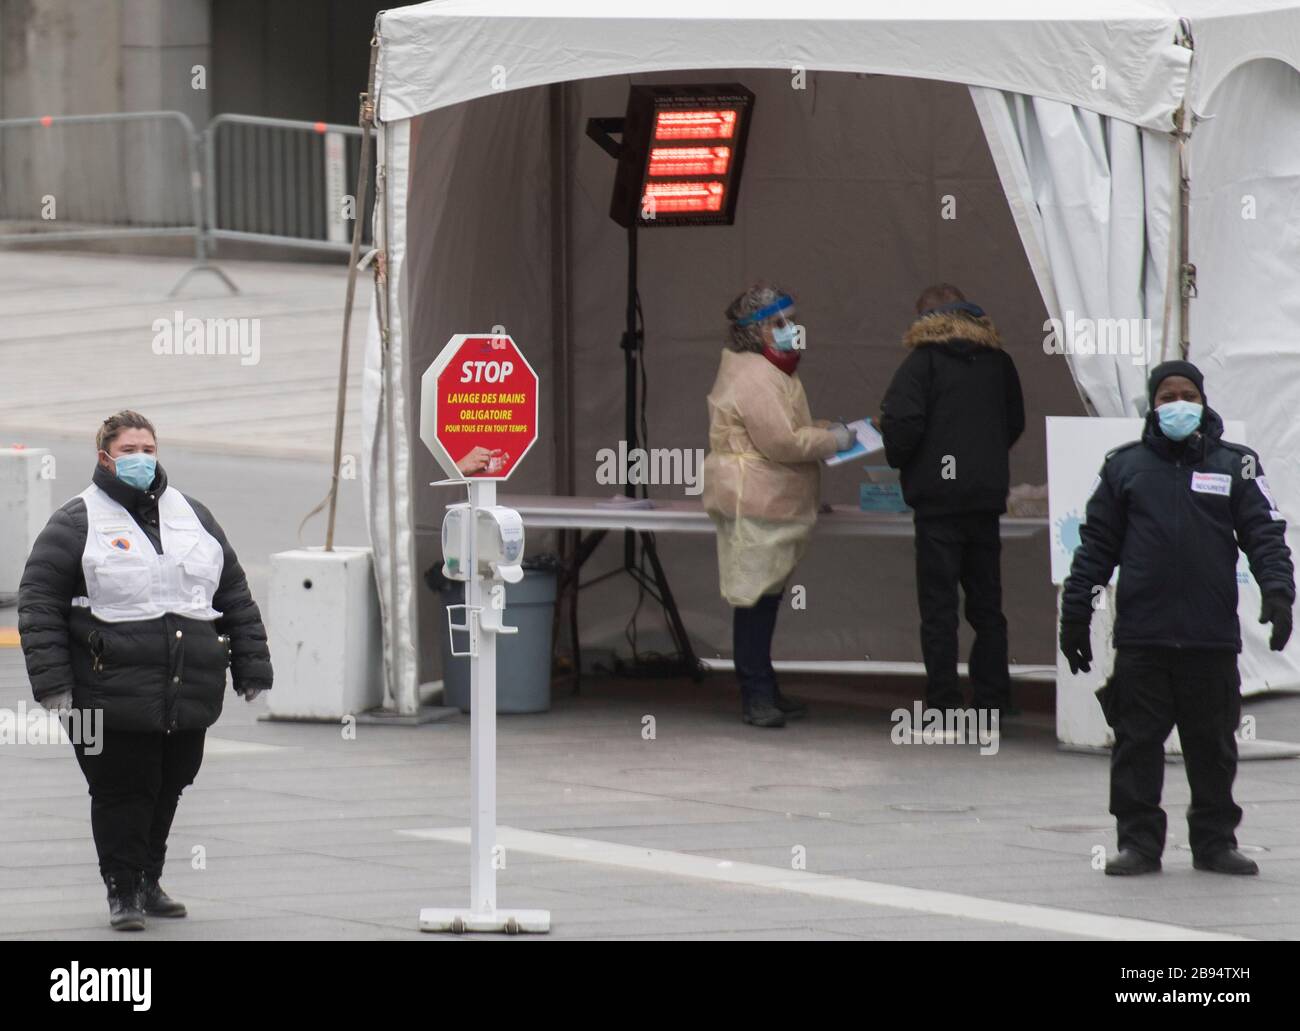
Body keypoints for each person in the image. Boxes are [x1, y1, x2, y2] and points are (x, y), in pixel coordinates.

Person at [18, 410, 273, 928]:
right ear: (105, 457)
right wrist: (52, 686)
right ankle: (122, 891)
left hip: (185, 688)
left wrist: (252, 667)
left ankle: (148, 880)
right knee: (120, 790)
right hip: (103, 691)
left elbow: (234, 593)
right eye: (129, 450)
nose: (140, 458)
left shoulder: (193, 515)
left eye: (149, 449)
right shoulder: (76, 521)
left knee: (170, 781)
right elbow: (39, 603)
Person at [1060, 361, 1293, 876]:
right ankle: (1139, 843)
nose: (1178, 403)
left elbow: (1265, 533)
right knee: (1137, 743)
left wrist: (1278, 592)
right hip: (1145, 635)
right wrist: (1076, 613)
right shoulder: (1125, 467)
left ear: (1204, 401)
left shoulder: (1238, 464)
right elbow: (1096, 547)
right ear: (1153, 404)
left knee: (1212, 747)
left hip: (1210, 636)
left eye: (1188, 393)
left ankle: (1214, 842)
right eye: (1168, 395)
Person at [702, 283, 852, 728]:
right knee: (754, 601)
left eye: (791, 320)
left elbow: (786, 427)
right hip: (754, 499)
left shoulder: (770, 368)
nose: (791, 330)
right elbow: (782, 440)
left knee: (764, 600)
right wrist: (835, 440)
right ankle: (756, 695)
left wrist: (825, 429)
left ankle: (764, 684)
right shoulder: (753, 375)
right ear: (754, 330)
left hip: (766, 500)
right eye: (779, 323)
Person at [880, 284, 1024, 716]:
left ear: (927, 318)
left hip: (938, 505)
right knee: (987, 608)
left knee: (939, 608)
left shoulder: (920, 363)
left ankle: (942, 701)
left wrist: (905, 458)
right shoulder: (1000, 363)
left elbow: (902, 422)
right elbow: (1012, 422)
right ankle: (993, 699)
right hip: (984, 500)